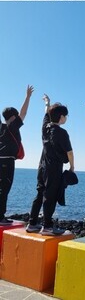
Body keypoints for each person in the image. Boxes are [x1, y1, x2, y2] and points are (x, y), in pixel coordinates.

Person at [26, 94, 73, 236]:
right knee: (50, 196)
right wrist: (72, 167)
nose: (66, 118)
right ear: (61, 117)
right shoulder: (62, 132)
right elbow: (70, 152)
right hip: (53, 168)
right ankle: (47, 227)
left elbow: (46, 114)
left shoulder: (45, 127)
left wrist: (47, 103)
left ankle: (32, 223)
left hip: (42, 167)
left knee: (40, 193)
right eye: (66, 116)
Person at [0, 85, 33, 225]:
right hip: (7, 162)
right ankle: (1, 217)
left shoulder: (1, 127)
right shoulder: (11, 127)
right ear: (13, 117)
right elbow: (23, 113)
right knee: (4, 188)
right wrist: (27, 97)